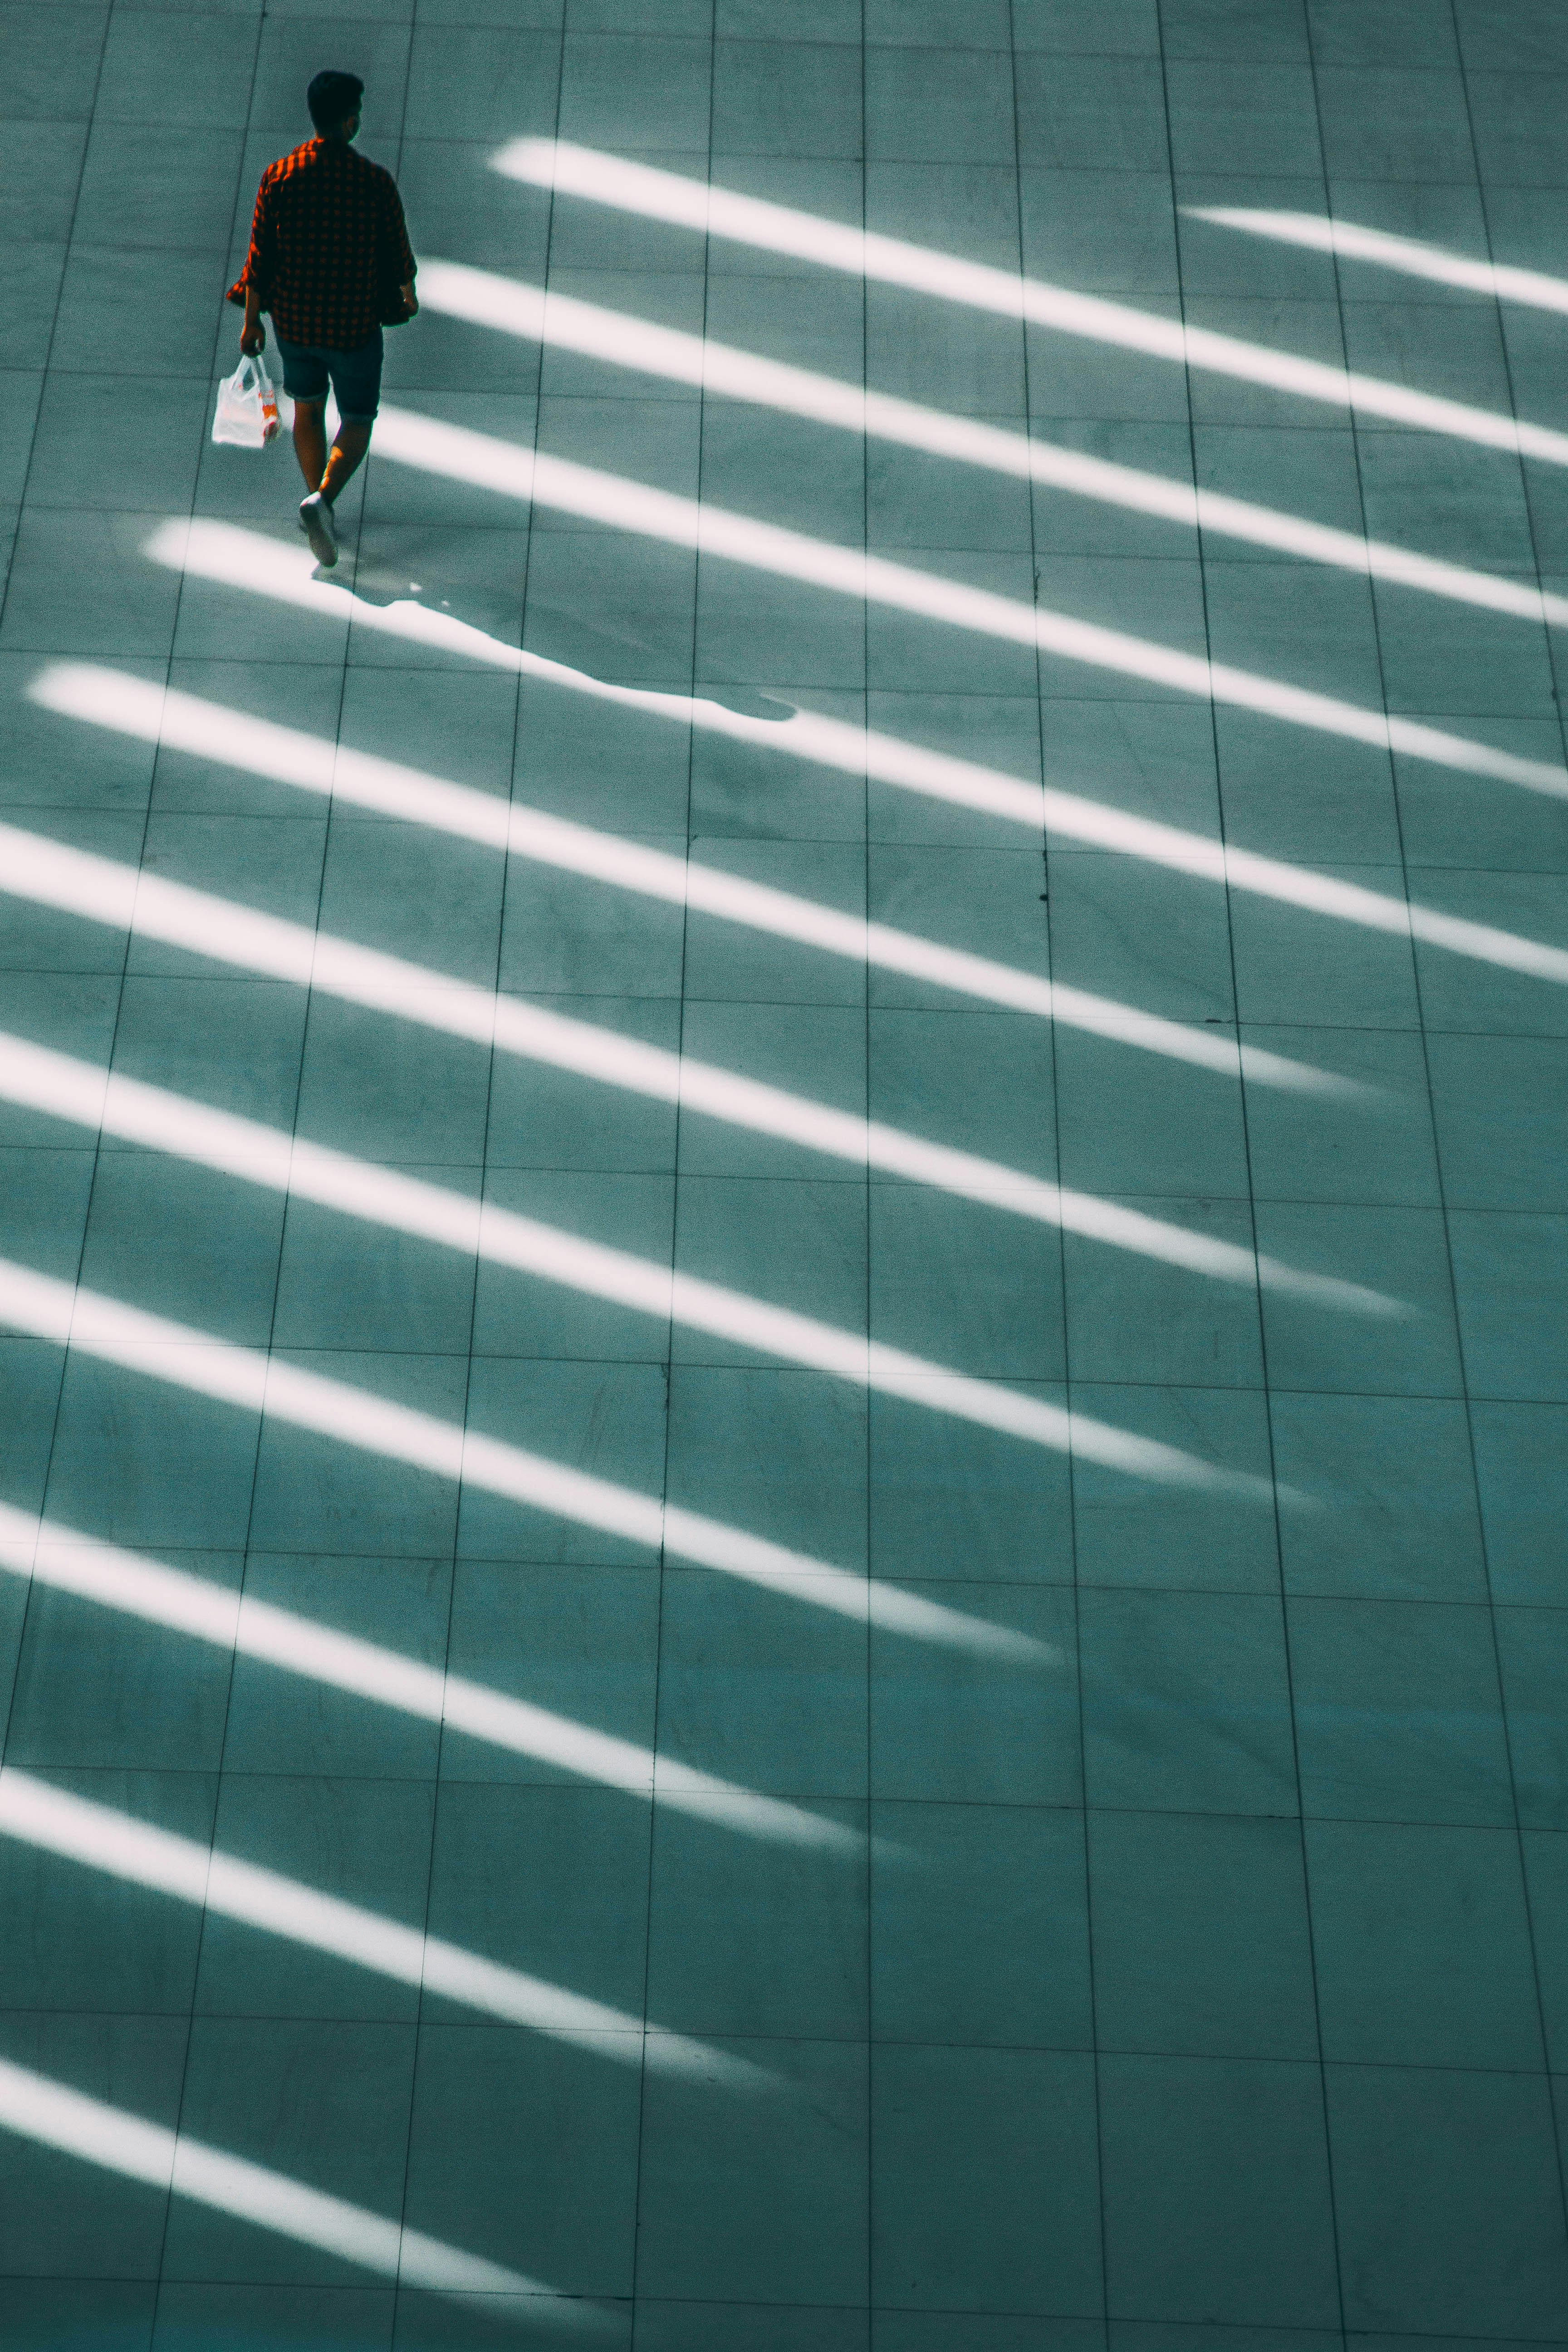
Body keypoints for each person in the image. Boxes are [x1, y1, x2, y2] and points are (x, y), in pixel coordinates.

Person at [227, 69, 417, 569]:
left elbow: (259, 260)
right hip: (354, 327)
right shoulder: (373, 181)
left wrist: (252, 323)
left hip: (295, 325)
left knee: (307, 410)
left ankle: (317, 501)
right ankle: (324, 501)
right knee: (357, 417)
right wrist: (407, 294)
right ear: (350, 120)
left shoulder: (279, 176)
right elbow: (398, 253)